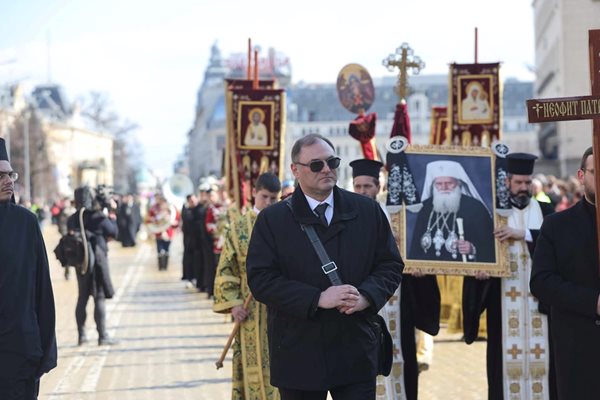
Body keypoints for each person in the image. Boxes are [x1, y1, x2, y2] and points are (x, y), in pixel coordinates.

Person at [246, 134, 403, 399]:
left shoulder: (367, 211)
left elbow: (390, 264)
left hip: (355, 347)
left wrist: (366, 296)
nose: (327, 169)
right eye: (317, 165)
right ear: (295, 170)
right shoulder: (272, 220)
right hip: (299, 351)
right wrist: (317, 298)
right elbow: (261, 279)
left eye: (332, 162)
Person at [463, 152, 555, 400]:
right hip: (503, 305)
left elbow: (558, 246)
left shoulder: (547, 211)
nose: (524, 188)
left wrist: (522, 233)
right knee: (504, 367)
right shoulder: (493, 213)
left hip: (541, 307)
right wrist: (479, 274)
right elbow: (477, 253)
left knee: (546, 365)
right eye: (518, 183)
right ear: (507, 182)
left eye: (528, 183)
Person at [350, 158, 440, 400]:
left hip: (398, 301)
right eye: (357, 187)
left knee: (402, 358)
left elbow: (419, 248)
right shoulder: (346, 215)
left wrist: (420, 268)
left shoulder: (398, 215)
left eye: (367, 186)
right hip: (360, 303)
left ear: (379, 186)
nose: (362, 191)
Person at [530, 146, 598, 400]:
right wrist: (594, 302)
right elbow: (541, 282)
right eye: (595, 172)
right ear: (581, 176)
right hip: (577, 347)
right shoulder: (557, 225)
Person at [213, 173, 281, 400]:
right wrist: (233, 305)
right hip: (250, 310)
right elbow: (226, 270)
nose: (269, 203)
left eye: (274, 198)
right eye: (265, 197)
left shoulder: (286, 225)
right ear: (253, 193)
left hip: (283, 308)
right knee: (255, 366)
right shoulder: (237, 228)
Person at [0, 138, 57, 399]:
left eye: (10, 173)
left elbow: (41, 288)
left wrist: (44, 348)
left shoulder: (27, 223)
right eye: (0, 175)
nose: (8, 180)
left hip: (21, 351)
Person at [408, 160, 495, 262]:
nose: (444, 187)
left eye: (449, 183)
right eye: (439, 184)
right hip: (430, 275)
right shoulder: (426, 207)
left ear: (459, 183)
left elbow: (489, 246)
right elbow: (415, 248)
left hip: (465, 274)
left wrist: (473, 249)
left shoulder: (475, 207)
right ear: (433, 185)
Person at [67, 186, 118, 346]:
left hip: (81, 263)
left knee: (82, 297)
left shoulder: (73, 218)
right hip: (97, 263)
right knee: (99, 297)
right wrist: (111, 214)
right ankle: (102, 336)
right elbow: (114, 232)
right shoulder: (98, 217)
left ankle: (81, 336)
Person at [146, 194, 177, 271]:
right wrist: (154, 220)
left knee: (167, 250)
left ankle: (165, 266)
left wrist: (173, 223)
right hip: (158, 232)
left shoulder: (170, 209)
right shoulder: (153, 209)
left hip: (168, 232)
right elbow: (148, 219)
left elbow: (176, 219)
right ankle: (161, 267)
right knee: (160, 251)